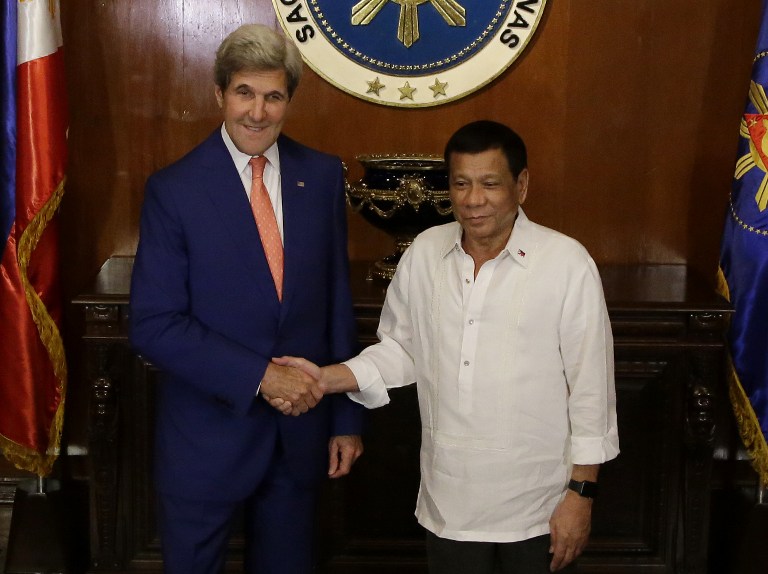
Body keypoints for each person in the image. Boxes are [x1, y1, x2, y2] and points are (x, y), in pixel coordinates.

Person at [273, 121, 620, 573]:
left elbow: (591, 388)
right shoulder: (423, 253)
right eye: (461, 183)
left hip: (541, 505)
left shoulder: (566, 263)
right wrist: (326, 377)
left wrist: (581, 495)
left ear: (522, 185)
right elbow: (401, 349)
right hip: (448, 501)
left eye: (490, 184)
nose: (474, 200)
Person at [128, 24, 365, 574]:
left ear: (289, 101)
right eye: (244, 93)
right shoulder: (174, 189)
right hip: (205, 442)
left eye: (273, 96)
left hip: (299, 440)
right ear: (219, 94)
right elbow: (155, 323)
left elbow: (335, 305)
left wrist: (346, 419)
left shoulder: (323, 176)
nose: (257, 112)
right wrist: (261, 376)